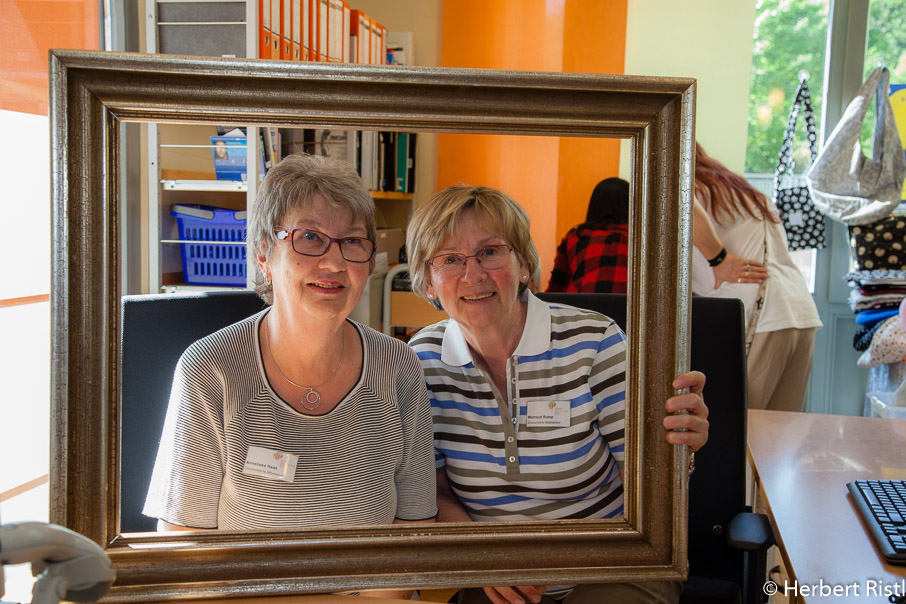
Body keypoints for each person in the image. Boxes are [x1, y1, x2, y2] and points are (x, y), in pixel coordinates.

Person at [144, 154, 437, 596]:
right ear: (265, 254)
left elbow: (412, 534)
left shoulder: (398, 368)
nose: (335, 263)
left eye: (353, 242)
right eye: (310, 238)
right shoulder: (211, 370)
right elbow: (183, 544)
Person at [405, 185, 709, 604]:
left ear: (525, 264)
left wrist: (678, 446)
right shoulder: (419, 362)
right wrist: (483, 555)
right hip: (496, 574)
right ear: (429, 284)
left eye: (491, 252)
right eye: (450, 260)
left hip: (610, 566)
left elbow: (648, 482)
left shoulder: (595, 341)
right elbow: (436, 494)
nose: (473, 275)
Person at [691, 142, 822, 412]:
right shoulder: (741, 189)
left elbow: (689, 210)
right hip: (798, 311)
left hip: (761, 314)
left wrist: (720, 260)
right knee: (778, 431)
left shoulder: (687, 184)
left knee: (742, 426)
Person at [547, 177, 630, 293]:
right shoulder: (640, 240)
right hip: (630, 309)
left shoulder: (576, 237)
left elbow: (556, 289)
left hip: (582, 308)